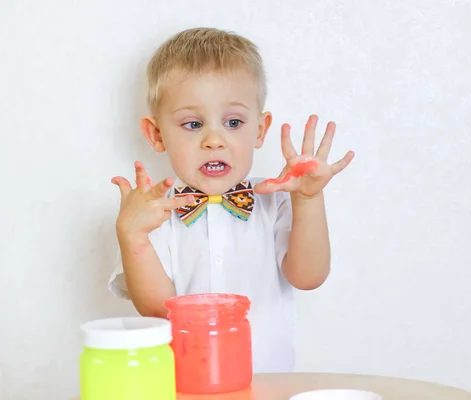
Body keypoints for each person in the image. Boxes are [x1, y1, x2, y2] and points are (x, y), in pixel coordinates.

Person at [108, 27, 354, 373]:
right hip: (185, 387)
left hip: (269, 387)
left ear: (259, 130)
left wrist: (309, 200)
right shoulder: (150, 213)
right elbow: (156, 309)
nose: (214, 140)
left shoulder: (277, 202)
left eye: (233, 122)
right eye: (193, 124)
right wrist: (133, 238)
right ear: (156, 134)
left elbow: (309, 276)